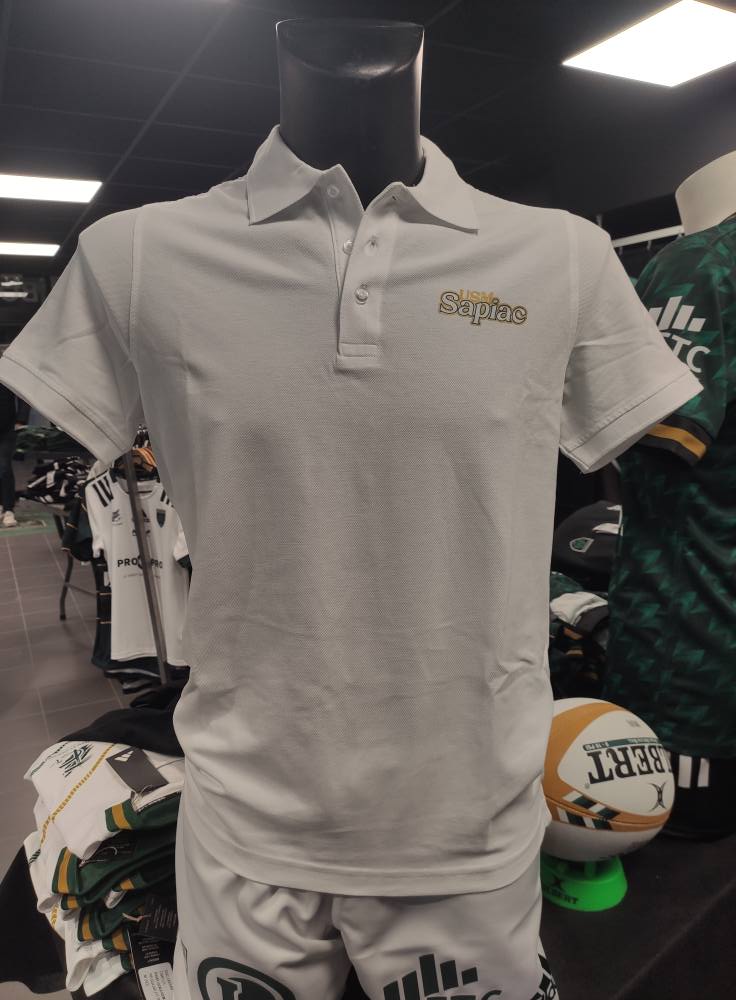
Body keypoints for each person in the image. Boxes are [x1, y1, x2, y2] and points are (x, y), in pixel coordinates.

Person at [0, 383, 29, 528]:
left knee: (4, 467)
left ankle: (8, 509)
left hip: (7, 428)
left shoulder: (7, 372)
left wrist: (21, 420)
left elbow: (22, 394)